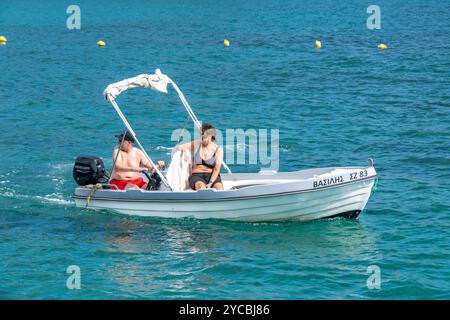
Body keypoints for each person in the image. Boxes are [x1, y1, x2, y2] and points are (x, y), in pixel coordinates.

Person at [177, 123, 224, 190]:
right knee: (201, 187)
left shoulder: (218, 149)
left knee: (219, 188)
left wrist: (210, 183)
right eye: (200, 135)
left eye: (203, 136)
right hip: (197, 176)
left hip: (212, 176)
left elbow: (217, 169)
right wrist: (186, 151)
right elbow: (179, 147)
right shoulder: (197, 144)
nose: (201, 138)